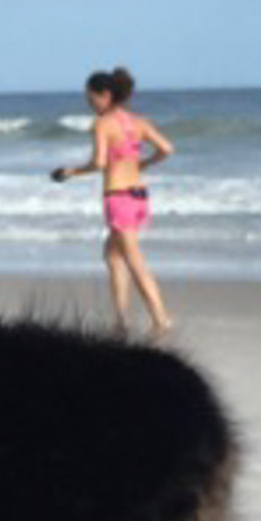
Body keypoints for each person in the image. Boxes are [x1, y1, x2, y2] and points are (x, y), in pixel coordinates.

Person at [51, 66, 175, 339]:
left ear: (105, 95)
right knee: (112, 255)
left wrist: (71, 172)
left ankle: (161, 319)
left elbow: (99, 163)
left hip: (118, 198)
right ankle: (120, 322)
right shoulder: (138, 122)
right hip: (139, 197)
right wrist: (143, 164)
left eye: (91, 99)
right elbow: (167, 148)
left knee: (134, 261)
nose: (90, 104)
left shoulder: (103, 124)